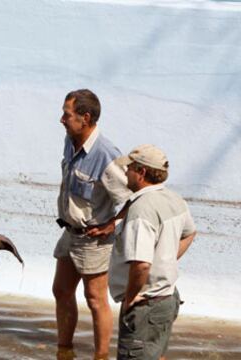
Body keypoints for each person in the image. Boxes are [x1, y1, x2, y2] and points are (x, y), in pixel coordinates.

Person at [53, 89, 131, 360]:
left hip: (93, 238)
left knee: (95, 299)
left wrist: (112, 224)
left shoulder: (107, 155)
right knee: (61, 290)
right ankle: (64, 350)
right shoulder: (70, 139)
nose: (62, 119)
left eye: (67, 114)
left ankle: (101, 357)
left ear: (85, 118)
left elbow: (133, 197)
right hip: (70, 232)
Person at [109, 144, 197, 360]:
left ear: (141, 173)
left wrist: (130, 298)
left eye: (129, 168)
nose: (125, 172)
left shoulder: (141, 209)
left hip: (145, 304)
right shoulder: (174, 199)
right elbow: (190, 233)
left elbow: (141, 264)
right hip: (167, 298)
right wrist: (166, 261)